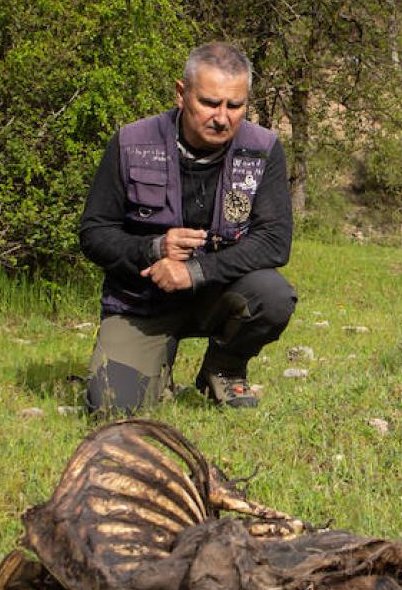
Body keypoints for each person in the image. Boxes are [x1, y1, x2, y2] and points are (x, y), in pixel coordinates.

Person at [78, 42, 295, 410]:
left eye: (235, 105)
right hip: (142, 302)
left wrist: (194, 271)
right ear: (182, 94)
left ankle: (223, 372)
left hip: (217, 292)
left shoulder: (263, 149)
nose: (222, 117)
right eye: (210, 103)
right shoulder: (131, 142)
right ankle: (154, 372)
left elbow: (275, 241)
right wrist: (153, 248)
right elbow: (94, 233)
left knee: (273, 296)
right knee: (112, 405)